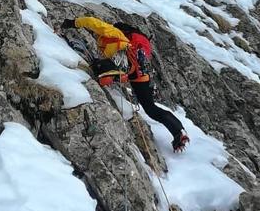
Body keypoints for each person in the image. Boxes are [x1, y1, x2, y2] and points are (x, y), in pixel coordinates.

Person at [61, 16, 190, 152]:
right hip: (139, 73)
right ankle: (178, 131)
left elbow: (92, 22)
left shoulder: (115, 32)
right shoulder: (136, 43)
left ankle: (113, 71)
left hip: (126, 62)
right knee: (151, 108)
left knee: (99, 66)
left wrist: (73, 22)